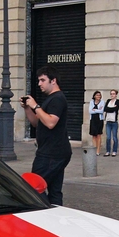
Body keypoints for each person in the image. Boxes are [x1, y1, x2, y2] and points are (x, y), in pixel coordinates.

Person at [22, 65, 71, 206]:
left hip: (51, 153)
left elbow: (50, 123)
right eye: (38, 80)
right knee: (55, 191)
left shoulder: (57, 99)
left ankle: (42, 215)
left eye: (42, 80)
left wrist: (35, 106)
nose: (39, 84)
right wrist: (27, 108)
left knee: (32, 188)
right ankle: (56, 217)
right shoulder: (51, 98)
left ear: (53, 81)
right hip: (55, 151)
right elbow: (38, 123)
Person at [103, 89, 119, 156]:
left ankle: (114, 151)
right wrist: (111, 108)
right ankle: (108, 151)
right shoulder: (108, 101)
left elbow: (115, 109)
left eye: (113, 94)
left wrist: (111, 109)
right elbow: (105, 109)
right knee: (108, 137)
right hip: (108, 121)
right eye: (111, 94)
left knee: (114, 137)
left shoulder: (117, 101)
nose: (112, 95)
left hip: (114, 122)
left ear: (116, 95)